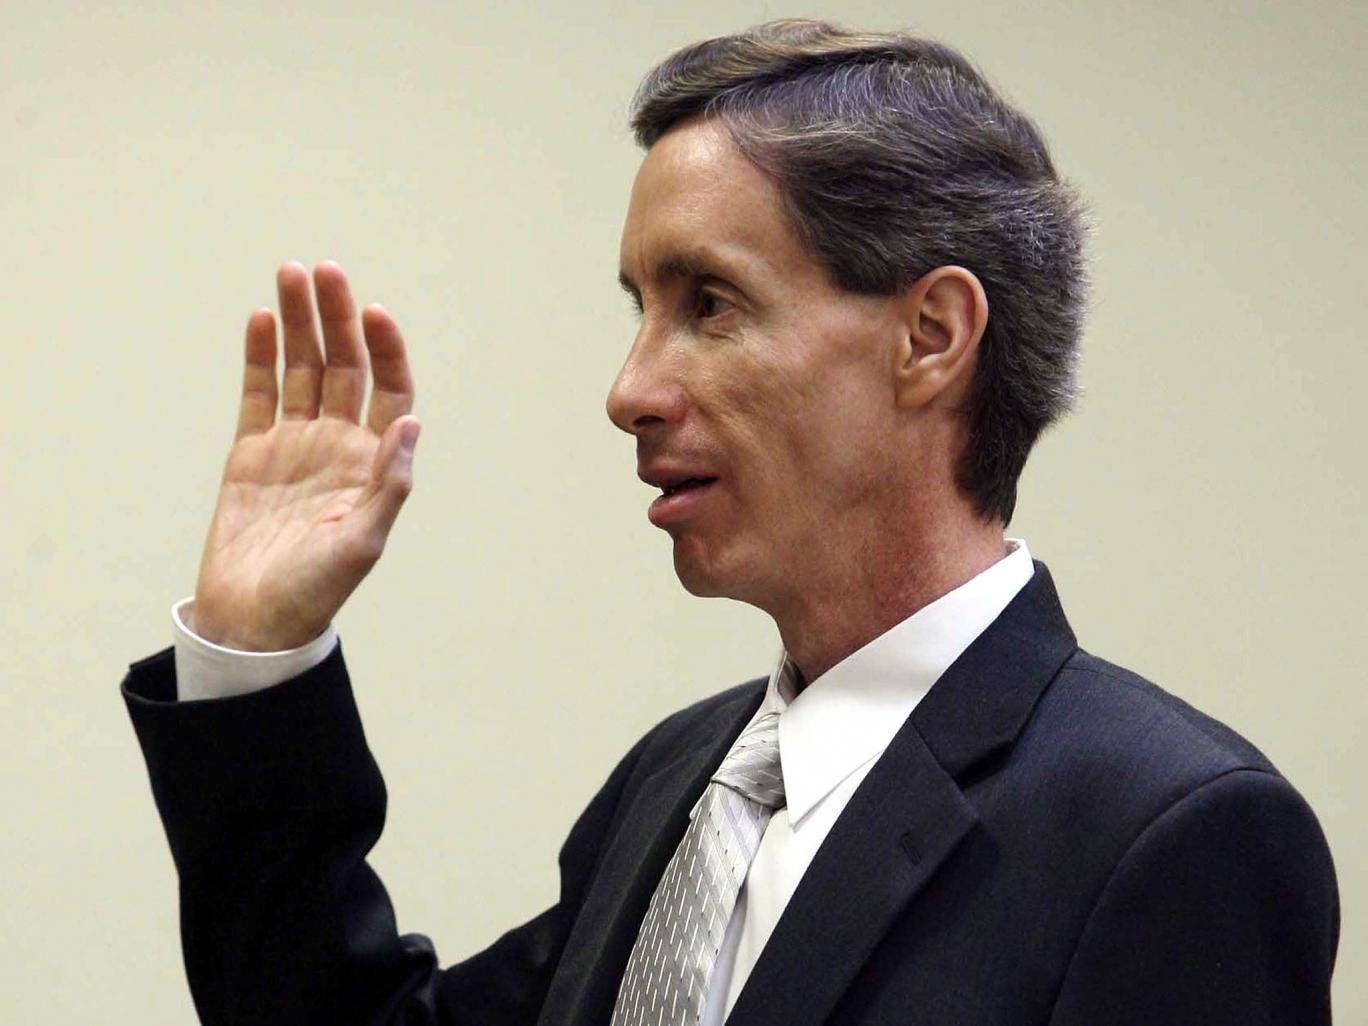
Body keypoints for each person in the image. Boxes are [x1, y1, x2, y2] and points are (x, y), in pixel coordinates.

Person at [123, 19, 1339, 1026]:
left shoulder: (1170, 832)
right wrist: (255, 660)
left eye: (709, 303)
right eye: (640, 309)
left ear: (930, 338)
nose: (629, 390)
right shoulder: (684, 782)